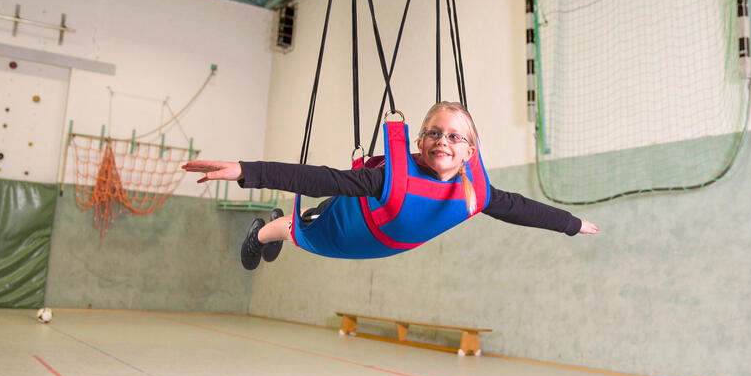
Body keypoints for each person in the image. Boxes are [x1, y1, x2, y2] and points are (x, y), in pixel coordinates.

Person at [183, 101, 599, 270]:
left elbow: (522, 209)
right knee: (298, 228)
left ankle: (274, 227)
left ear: (471, 151)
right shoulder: (388, 176)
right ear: (419, 141)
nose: (443, 142)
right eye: (435, 133)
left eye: (456, 137)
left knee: (299, 227)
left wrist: (570, 223)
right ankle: (262, 231)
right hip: (348, 225)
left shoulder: (478, 193)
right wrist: (245, 170)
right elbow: (319, 178)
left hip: (385, 242)